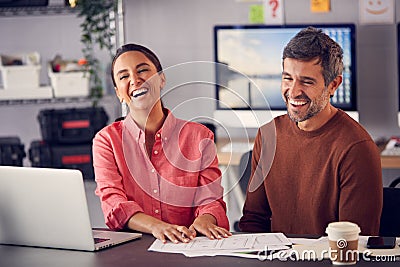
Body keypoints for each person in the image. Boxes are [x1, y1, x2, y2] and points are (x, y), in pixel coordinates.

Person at [239, 27, 383, 235]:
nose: (294, 91)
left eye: (307, 81)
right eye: (288, 78)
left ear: (333, 85)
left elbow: (354, 243)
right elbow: (253, 220)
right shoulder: (268, 135)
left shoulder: (356, 148)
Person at [92, 43, 231, 243]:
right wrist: (157, 227)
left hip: (187, 246)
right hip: (132, 250)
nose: (135, 80)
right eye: (124, 76)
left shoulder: (200, 137)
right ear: (118, 93)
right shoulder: (106, 141)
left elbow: (211, 200)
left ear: (162, 79)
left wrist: (206, 219)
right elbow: (114, 204)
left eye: (142, 70)